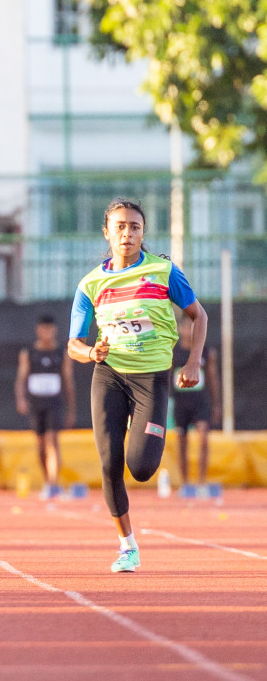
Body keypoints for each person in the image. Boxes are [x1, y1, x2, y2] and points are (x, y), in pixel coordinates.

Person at [67, 198, 206, 573]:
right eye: (120, 226)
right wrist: (89, 352)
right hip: (109, 374)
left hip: (152, 377)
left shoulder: (163, 271)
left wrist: (192, 362)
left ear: (143, 233)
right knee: (109, 461)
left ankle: (139, 428)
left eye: (134, 227)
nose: (127, 233)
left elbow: (198, 314)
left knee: (141, 468)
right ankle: (127, 545)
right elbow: (73, 344)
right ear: (107, 232)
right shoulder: (91, 284)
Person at [15, 315, 76, 490]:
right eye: (44, 329)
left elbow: (68, 381)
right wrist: (21, 398)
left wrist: (71, 410)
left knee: (52, 441)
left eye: (50, 329)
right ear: (38, 330)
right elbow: (21, 378)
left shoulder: (61, 353)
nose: (47, 333)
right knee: (40, 445)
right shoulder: (29, 353)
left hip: (55, 401)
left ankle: (53, 483)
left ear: (55, 330)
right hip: (36, 402)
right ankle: (47, 479)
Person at [170, 316, 221, 488]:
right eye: (187, 327)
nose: (191, 331)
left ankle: (201, 481)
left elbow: (213, 378)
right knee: (181, 441)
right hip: (181, 402)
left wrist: (216, 405)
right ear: (180, 329)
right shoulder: (173, 353)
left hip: (200, 401)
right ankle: (185, 482)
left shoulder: (206, 352)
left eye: (195, 327)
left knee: (203, 438)